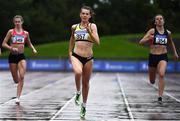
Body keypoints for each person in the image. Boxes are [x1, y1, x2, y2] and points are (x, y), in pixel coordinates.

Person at [68, 5, 100, 119]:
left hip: (88, 58)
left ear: (90, 16)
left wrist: (89, 32)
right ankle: (77, 92)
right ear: (80, 15)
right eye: (83, 13)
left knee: (86, 83)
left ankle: (84, 105)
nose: (85, 15)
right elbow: (72, 39)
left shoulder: (93, 26)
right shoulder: (74, 27)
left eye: (87, 14)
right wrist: (70, 53)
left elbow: (97, 42)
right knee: (78, 72)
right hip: (76, 55)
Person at [139, 14, 179, 103]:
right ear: (155, 22)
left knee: (161, 74)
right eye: (157, 19)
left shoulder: (168, 33)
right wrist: (149, 38)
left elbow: (171, 43)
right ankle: (153, 82)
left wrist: (175, 53)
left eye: (161, 19)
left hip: (163, 56)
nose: (160, 20)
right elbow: (141, 42)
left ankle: (160, 97)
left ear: (163, 21)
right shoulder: (152, 31)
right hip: (153, 56)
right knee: (152, 81)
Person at [2, 15, 37, 105]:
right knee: (16, 79)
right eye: (16, 22)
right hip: (12, 56)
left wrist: (33, 49)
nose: (17, 23)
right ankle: (17, 83)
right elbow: (4, 44)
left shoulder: (26, 33)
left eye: (19, 21)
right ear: (14, 23)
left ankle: (18, 97)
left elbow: (29, 43)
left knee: (22, 76)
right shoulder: (11, 32)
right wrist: (11, 48)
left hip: (21, 56)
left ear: (22, 22)